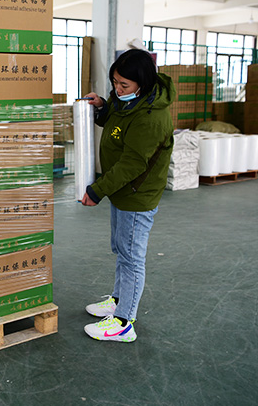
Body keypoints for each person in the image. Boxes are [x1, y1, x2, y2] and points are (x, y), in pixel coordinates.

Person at [81, 49, 175, 342]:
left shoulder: (151, 117)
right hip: (122, 190)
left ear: (142, 84)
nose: (117, 89)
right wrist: (102, 106)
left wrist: (97, 190)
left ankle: (123, 322)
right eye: (114, 82)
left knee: (132, 257)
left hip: (136, 194)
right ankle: (119, 300)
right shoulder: (129, 101)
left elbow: (132, 164)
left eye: (124, 85)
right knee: (122, 249)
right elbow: (116, 124)